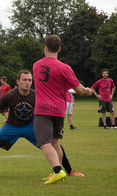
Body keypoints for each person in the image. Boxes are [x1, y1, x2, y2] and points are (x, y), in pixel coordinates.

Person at [0, 70, 85, 178]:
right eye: (24, 80)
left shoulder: (37, 95)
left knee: (54, 144)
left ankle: (70, 171)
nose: (27, 82)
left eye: (29, 80)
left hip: (32, 126)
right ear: (18, 81)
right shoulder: (10, 95)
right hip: (12, 127)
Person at [33, 35, 92, 184]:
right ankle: (57, 172)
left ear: (45, 48)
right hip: (59, 110)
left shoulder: (36, 65)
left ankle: (58, 171)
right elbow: (77, 89)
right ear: (59, 49)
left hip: (42, 110)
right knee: (55, 142)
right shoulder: (65, 68)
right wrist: (86, 91)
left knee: (44, 142)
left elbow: (48, 81)